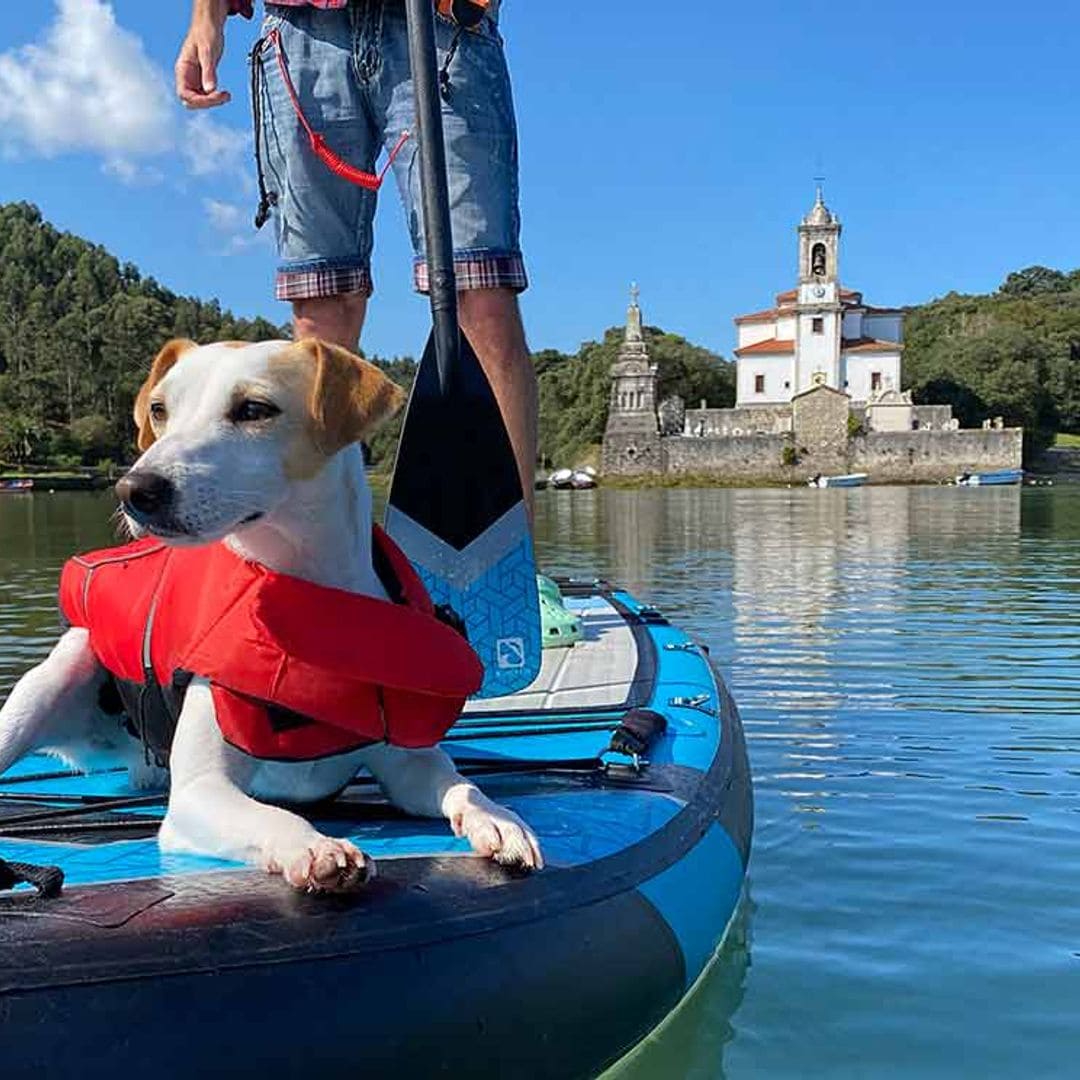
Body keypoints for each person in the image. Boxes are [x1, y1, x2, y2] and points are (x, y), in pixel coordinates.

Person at [175, 0, 537, 507]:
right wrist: (206, 16)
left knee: (479, 294)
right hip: (299, 33)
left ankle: (512, 566)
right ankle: (321, 562)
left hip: (443, 23)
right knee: (321, 305)